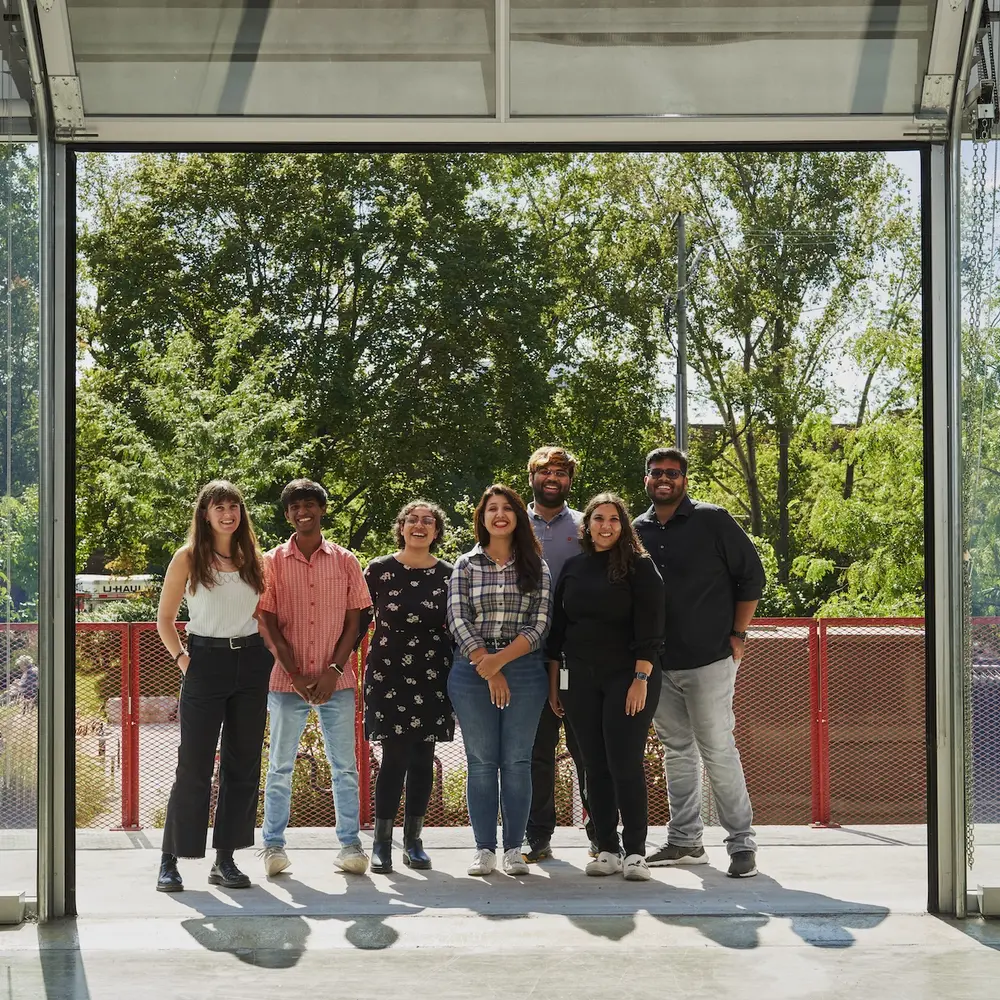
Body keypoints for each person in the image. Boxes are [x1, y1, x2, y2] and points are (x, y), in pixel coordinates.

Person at [633, 448, 765, 878]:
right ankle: (686, 841)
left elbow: (752, 577)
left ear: (685, 480)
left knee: (717, 747)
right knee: (676, 750)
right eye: (657, 473)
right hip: (658, 664)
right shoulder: (636, 530)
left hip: (709, 659)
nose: (664, 479)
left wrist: (739, 634)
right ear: (647, 479)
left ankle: (741, 844)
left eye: (672, 473)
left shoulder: (714, 520)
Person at [155, 480, 274, 893]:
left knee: (242, 766)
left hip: (251, 664)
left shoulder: (253, 558)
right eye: (219, 507)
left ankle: (225, 860)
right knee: (194, 764)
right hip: (204, 662)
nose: (228, 514)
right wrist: (184, 661)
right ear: (205, 514)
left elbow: (261, 616)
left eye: (234, 507)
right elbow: (164, 621)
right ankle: (170, 860)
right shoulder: (188, 558)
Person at [256, 479, 373, 878]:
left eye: (309, 504)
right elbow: (266, 620)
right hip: (286, 681)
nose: (302, 511)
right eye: (294, 506)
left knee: (344, 766)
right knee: (279, 766)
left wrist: (334, 670)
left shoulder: (345, 561)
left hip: (336, 682)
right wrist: (294, 672)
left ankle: (350, 845)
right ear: (287, 514)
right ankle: (272, 847)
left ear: (322, 510)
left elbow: (355, 619)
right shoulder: (270, 561)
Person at [547, 493, 664, 881]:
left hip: (628, 678)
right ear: (588, 525)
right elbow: (558, 633)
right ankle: (607, 850)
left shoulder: (640, 567)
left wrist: (641, 678)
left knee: (624, 762)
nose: (606, 525)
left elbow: (651, 627)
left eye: (614, 519)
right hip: (578, 678)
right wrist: (556, 684)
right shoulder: (575, 567)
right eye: (599, 518)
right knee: (593, 766)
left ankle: (635, 853)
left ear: (623, 525)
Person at [447, 484, 551, 877]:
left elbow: (540, 624)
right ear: (482, 516)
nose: (500, 515)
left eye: (508, 508)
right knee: (482, 761)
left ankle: (513, 849)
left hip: (523, 668)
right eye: (492, 508)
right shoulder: (466, 564)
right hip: (471, 671)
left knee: (518, 761)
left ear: (518, 517)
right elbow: (458, 618)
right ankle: (484, 849)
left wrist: (500, 663)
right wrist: (485, 664)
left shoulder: (536, 566)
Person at [361, 500, 455, 873]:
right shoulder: (379, 570)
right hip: (388, 671)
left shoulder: (450, 573)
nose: (420, 525)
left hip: (433, 672)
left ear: (436, 531)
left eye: (428, 521)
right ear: (401, 527)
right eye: (412, 520)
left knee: (422, 759)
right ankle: (382, 844)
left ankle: (413, 841)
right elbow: (357, 619)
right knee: (394, 757)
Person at [523, 445, 595, 863]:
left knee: (588, 749)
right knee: (536, 751)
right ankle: (538, 837)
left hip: (578, 653)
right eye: (546, 471)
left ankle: (601, 834)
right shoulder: (512, 523)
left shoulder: (587, 526)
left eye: (562, 472)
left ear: (570, 480)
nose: (554, 478)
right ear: (532, 476)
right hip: (526, 653)